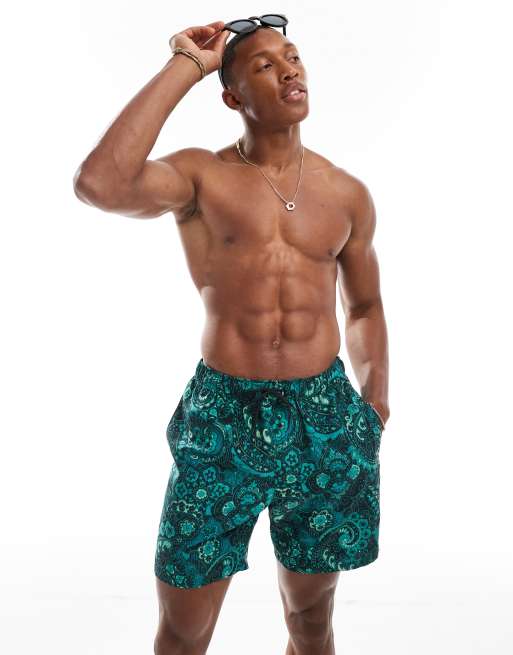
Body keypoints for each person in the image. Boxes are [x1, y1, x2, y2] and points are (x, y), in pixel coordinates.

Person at [73, 16, 390, 655]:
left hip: (324, 418)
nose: (289, 69)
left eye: (293, 57)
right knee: (184, 630)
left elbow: (364, 306)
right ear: (231, 96)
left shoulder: (346, 192)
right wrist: (187, 63)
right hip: (223, 416)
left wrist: (374, 404)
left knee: (311, 621)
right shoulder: (201, 178)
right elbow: (99, 184)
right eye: (265, 65)